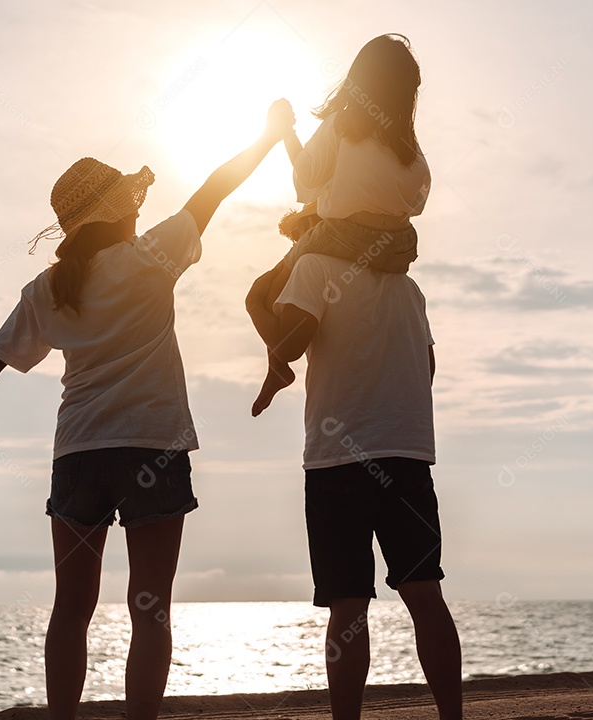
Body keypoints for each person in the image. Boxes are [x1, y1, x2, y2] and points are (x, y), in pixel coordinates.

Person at [0, 99, 295, 720]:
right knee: (149, 607)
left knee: (70, 609)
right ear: (125, 209)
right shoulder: (154, 256)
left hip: (79, 454)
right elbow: (216, 187)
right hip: (153, 446)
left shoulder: (49, 288)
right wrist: (269, 136)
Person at [244, 40, 462, 720]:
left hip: (338, 458)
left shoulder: (314, 267)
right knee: (425, 595)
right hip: (406, 452)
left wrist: (283, 134)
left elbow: (309, 184)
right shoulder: (412, 286)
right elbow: (425, 368)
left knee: (347, 608)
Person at [248, 33, 432, 417]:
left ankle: (277, 366)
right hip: (397, 248)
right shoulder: (410, 149)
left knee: (263, 292)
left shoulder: (341, 126)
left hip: (342, 237)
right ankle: (275, 367)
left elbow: (307, 179)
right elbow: (416, 200)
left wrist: (286, 133)